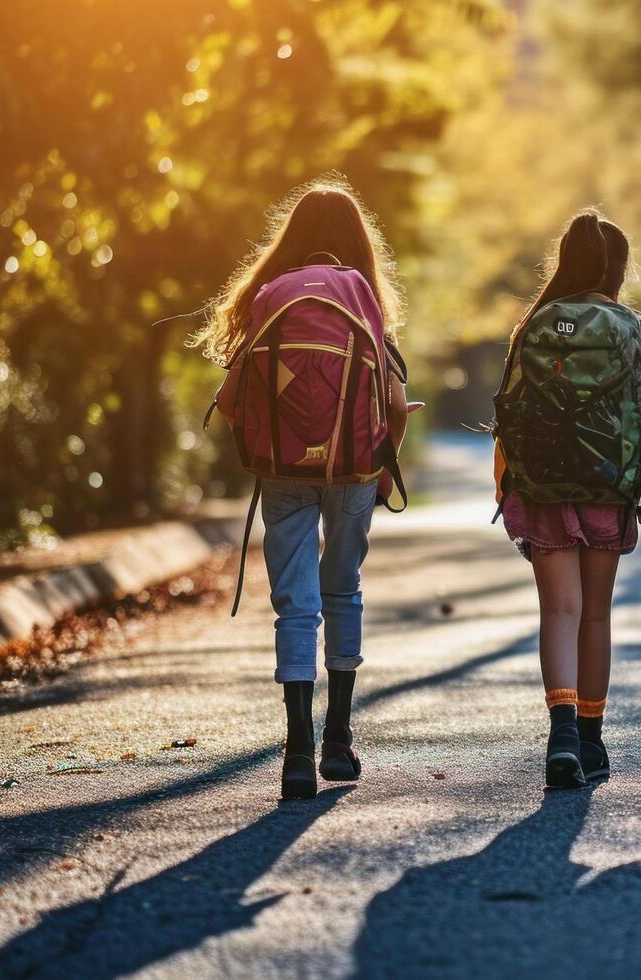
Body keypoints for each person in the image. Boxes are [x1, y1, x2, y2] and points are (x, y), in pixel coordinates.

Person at [194, 177, 416, 800]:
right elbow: (394, 402)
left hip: (282, 470)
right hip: (352, 468)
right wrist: (380, 464)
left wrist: (276, 437)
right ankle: (338, 740)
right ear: (357, 243)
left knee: (296, 602)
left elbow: (234, 406)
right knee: (341, 588)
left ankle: (295, 753)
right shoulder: (364, 299)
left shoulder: (269, 299)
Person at [493, 210, 641, 789]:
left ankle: (560, 731)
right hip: (610, 485)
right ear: (617, 269)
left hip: (543, 487)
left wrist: (507, 487)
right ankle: (590, 740)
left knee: (558, 611)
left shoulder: (535, 325)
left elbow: (508, 413)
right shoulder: (634, 330)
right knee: (595, 612)